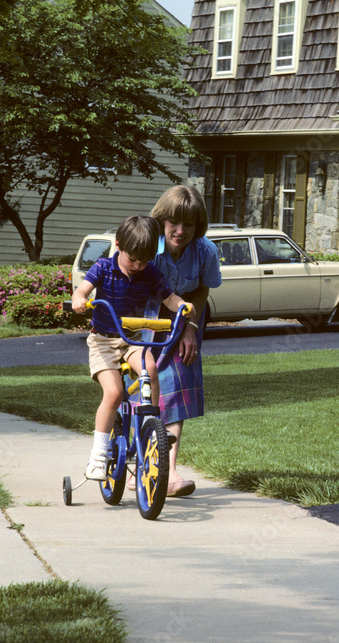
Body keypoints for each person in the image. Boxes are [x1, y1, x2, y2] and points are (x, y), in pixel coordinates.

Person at [72, 215, 193, 481]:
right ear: (118, 245)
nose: (138, 266)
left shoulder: (150, 273)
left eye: (144, 261)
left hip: (133, 340)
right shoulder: (103, 267)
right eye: (133, 259)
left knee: (150, 369)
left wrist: (182, 306)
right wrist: (79, 298)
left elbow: (169, 298)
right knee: (114, 393)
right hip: (103, 342)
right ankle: (98, 456)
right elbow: (82, 290)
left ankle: (152, 426)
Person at [149, 186, 223, 497]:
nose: (181, 231)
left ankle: (168, 473)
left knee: (175, 393)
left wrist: (191, 328)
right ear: (161, 221)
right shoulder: (146, 244)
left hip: (183, 321)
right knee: (143, 389)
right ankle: (138, 462)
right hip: (143, 320)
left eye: (189, 224)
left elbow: (202, 289)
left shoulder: (205, 251)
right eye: (174, 223)